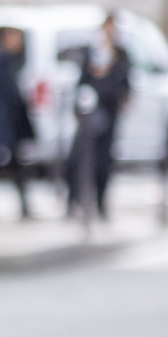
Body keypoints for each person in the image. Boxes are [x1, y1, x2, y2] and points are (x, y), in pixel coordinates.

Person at [69, 12, 131, 220]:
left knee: (104, 161)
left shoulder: (121, 55)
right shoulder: (91, 53)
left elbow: (124, 84)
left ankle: (100, 202)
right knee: (80, 158)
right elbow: (82, 83)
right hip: (90, 114)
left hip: (110, 112)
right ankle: (75, 200)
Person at [0, 27, 35, 220]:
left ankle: (22, 208)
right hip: (3, 128)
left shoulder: (9, 62)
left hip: (10, 127)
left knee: (12, 169)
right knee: (2, 168)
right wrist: (0, 131)